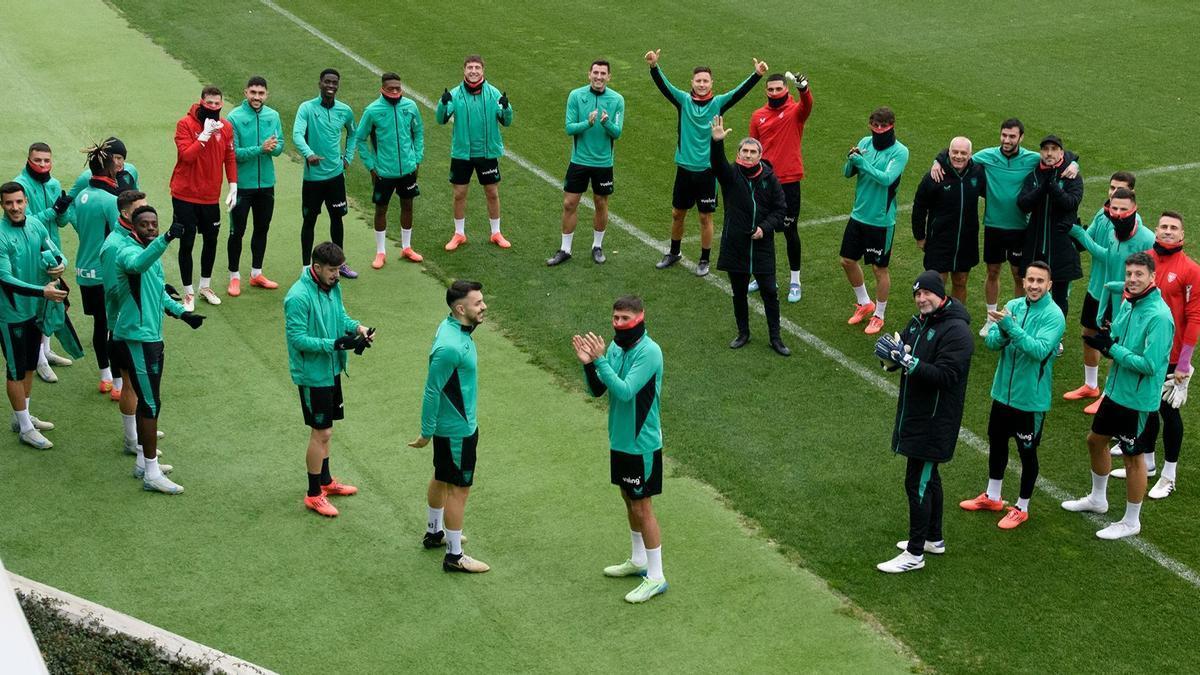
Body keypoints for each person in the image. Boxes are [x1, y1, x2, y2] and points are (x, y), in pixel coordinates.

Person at [927, 120, 1078, 337]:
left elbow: (1058, 157)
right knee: (993, 272)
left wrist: (1074, 163)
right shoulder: (986, 156)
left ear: (1021, 138)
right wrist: (937, 160)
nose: (1007, 140)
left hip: (1020, 227)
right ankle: (991, 319)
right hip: (993, 226)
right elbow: (959, 154)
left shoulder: (1031, 158)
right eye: (1004, 135)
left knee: (1019, 275)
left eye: (1012, 136)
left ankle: (1016, 319)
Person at [1061, 252, 1173, 540]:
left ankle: (1131, 521)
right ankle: (1098, 499)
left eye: (1139, 274)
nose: (1133, 279)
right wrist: (1108, 335)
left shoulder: (1159, 317)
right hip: (1115, 392)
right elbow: (1118, 337)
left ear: (1152, 277)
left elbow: (1150, 365)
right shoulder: (1129, 303)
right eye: (1129, 274)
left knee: (1133, 459)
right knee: (1095, 440)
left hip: (1138, 401)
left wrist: (1112, 349)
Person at [874, 271, 973, 573]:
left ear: (940, 294)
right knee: (929, 480)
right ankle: (933, 538)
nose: (921, 299)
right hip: (916, 414)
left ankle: (915, 555)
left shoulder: (957, 332)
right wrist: (891, 360)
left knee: (917, 484)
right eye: (917, 294)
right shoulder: (918, 322)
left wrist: (909, 363)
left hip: (934, 421)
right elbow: (901, 354)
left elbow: (947, 376)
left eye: (926, 293)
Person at [573, 295, 669, 603]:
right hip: (620, 440)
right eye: (615, 318)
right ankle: (638, 560)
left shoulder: (650, 352)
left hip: (642, 444)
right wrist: (590, 365)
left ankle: (656, 577)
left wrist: (600, 360)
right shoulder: (615, 348)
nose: (618, 324)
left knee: (643, 507)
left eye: (624, 319)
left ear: (640, 317)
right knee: (628, 500)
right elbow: (600, 389)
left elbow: (626, 392)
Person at [109, 206, 206, 493]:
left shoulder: (149, 252)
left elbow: (158, 291)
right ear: (133, 226)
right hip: (138, 339)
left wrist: (182, 314)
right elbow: (138, 265)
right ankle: (151, 474)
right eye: (145, 224)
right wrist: (165, 238)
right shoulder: (128, 251)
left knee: (146, 402)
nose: (151, 228)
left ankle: (143, 463)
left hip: (150, 336)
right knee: (150, 405)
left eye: (155, 224)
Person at [961, 261, 1064, 528]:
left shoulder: (1054, 316)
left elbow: (1039, 350)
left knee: (1027, 452)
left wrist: (1011, 327)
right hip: (1002, 394)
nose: (1033, 285)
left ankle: (1022, 506)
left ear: (1049, 285)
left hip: (1030, 400)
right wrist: (1005, 330)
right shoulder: (1014, 306)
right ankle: (993, 496)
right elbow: (992, 341)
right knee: (996, 442)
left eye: (1040, 281)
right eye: (1030, 280)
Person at [646, 48, 766, 275]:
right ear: (692, 81)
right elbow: (665, 87)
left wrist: (757, 75)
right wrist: (654, 66)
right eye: (698, 80)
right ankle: (674, 251)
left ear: (712, 83)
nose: (702, 84)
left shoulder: (718, 103)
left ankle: (704, 259)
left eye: (705, 81)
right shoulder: (682, 100)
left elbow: (738, 93)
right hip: (684, 168)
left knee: (705, 216)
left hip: (707, 171)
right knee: (677, 213)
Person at [284, 242, 374, 516]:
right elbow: (297, 339)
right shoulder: (297, 297)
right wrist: (333, 344)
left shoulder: (333, 287)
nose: (337, 274)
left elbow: (341, 317)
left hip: (331, 370)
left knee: (328, 432)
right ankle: (313, 494)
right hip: (313, 374)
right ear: (317, 267)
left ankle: (325, 481)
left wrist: (358, 328)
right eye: (332, 270)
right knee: (320, 432)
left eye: (338, 269)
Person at [409, 280, 489, 573]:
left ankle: (434, 532)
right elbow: (432, 390)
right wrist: (426, 432)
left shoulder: (453, 327)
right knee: (459, 489)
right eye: (477, 303)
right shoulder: (449, 347)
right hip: (458, 429)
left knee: (442, 477)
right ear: (460, 308)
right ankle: (455, 556)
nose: (483, 306)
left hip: (455, 424)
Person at [1067, 185, 1154, 416]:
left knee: (1121, 350)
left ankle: (1111, 398)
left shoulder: (1146, 239)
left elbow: (1152, 279)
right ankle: (1098, 390)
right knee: (1103, 341)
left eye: (1123, 209)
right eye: (1114, 208)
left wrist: (1125, 291)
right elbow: (1108, 264)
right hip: (1113, 302)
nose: (1117, 213)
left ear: (1134, 208)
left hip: (1134, 308)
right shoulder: (1114, 234)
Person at [710, 116, 789, 356]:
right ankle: (743, 333)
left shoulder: (769, 178)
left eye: (752, 151)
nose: (747, 155)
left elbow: (780, 209)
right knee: (739, 292)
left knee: (770, 293)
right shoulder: (731, 176)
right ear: (738, 154)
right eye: (744, 151)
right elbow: (717, 163)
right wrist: (716, 142)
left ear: (759, 155)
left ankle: (775, 338)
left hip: (762, 246)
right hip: (737, 244)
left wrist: (764, 228)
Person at [0, 181, 69, 450]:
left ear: (26, 201)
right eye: (9, 203)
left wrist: (59, 263)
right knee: (16, 370)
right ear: (3, 205)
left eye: (18, 202)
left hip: (34, 310)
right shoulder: (1, 235)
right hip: (11, 314)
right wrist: (43, 291)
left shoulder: (36, 225)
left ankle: (23, 417)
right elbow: (5, 280)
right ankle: (26, 428)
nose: (15, 207)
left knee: (29, 365)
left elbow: (53, 250)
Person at [547, 59, 625, 267]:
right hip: (579, 160)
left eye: (603, 74)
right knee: (569, 203)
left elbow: (617, 132)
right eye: (596, 73)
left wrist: (606, 123)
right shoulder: (576, 96)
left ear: (609, 77)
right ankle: (565, 249)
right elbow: (569, 128)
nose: (599, 77)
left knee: (601, 203)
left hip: (603, 162)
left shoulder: (617, 100)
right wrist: (587, 123)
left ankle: (597, 247)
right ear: (589, 74)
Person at [1144, 211, 1200, 498]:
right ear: (1155, 231)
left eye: (1173, 228)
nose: (1167, 231)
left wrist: (1185, 363)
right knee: (1147, 407)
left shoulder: (1190, 269)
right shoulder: (1143, 260)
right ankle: (1149, 463)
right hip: (1144, 352)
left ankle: (1169, 475)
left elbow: (1194, 317)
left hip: (1174, 357)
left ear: (1182, 236)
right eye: (1163, 226)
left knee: (1169, 411)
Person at [841, 107, 910, 335]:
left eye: (883, 126)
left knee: (879, 268)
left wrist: (862, 164)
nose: (879, 130)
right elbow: (846, 173)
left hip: (881, 220)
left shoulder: (900, 152)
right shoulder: (865, 142)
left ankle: (879, 315)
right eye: (875, 126)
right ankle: (864, 302)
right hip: (858, 215)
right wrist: (852, 160)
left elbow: (887, 179)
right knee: (847, 260)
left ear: (892, 126)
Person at [170, 85, 238, 311]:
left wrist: (233, 185)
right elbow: (187, 157)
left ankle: (205, 286)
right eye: (209, 103)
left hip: (210, 197)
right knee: (187, 242)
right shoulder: (185, 125)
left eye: (217, 104)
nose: (213, 107)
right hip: (185, 195)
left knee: (211, 240)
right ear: (201, 102)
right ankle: (188, 292)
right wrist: (204, 135)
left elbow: (229, 156)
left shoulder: (226, 127)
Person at [436, 55, 513, 252]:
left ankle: (496, 232)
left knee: (492, 192)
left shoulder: (493, 93)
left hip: (487, 153)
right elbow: (441, 119)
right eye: (470, 67)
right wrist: (443, 104)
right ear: (464, 70)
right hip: (462, 153)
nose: (473, 71)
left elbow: (506, 121)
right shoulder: (454, 94)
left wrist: (506, 107)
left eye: (477, 68)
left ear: (483, 71)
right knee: (459, 193)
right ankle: (459, 233)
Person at [748, 70, 812, 302]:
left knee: (789, 231)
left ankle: (795, 281)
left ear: (786, 89)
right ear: (766, 91)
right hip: (764, 181)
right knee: (762, 231)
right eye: (771, 89)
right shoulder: (757, 116)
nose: (775, 93)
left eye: (779, 89)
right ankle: (766, 276)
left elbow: (807, 104)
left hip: (789, 182)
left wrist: (803, 88)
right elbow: (753, 148)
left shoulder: (795, 111)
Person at [13, 142, 74, 380]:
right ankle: (38, 359)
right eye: (37, 160)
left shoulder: (54, 183)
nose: (42, 164)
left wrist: (64, 210)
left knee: (52, 303)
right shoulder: (20, 185)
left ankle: (46, 351)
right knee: (39, 305)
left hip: (52, 252)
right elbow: (23, 222)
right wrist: (52, 211)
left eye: (46, 160)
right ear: (29, 159)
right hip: (31, 254)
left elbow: (60, 223)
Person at [72, 142, 126, 399]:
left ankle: (105, 376)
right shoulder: (110, 200)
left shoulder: (82, 196)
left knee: (99, 324)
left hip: (83, 272)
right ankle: (118, 383)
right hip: (104, 275)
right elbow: (120, 239)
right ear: (109, 170)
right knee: (112, 327)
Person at [293, 68, 358, 277]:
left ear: (338, 85)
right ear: (319, 83)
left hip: (336, 177)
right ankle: (306, 268)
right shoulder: (307, 108)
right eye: (327, 82)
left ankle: (339, 265)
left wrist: (347, 157)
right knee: (309, 221)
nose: (331, 86)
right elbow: (297, 134)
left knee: (337, 219)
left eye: (334, 82)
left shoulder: (344, 110)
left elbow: (353, 133)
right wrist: (308, 154)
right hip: (313, 179)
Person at [356, 71, 425, 269]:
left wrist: (417, 158)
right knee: (381, 209)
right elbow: (360, 139)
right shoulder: (372, 110)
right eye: (391, 88)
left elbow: (418, 132)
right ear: (382, 89)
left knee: (408, 206)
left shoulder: (410, 106)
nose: (395, 91)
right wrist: (370, 166)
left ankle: (407, 247)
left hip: (408, 170)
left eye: (398, 88)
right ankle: (380, 252)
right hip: (383, 172)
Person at [226, 75, 284, 296]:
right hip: (241, 186)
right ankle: (234, 277)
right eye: (253, 93)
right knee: (237, 231)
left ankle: (256, 274)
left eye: (261, 93)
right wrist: (261, 148)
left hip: (266, 185)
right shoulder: (234, 117)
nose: (257, 97)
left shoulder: (273, 116)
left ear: (266, 95)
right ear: (245, 93)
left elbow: (280, 147)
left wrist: (273, 147)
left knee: (262, 229)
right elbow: (234, 155)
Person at [911, 137, 986, 303]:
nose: (959, 156)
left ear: (970, 155)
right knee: (936, 284)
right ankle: (933, 323)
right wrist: (920, 236)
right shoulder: (934, 176)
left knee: (960, 282)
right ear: (948, 152)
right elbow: (919, 207)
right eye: (955, 152)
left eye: (963, 153)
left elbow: (993, 193)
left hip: (966, 240)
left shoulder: (978, 173)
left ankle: (957, 320)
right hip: (940, 240)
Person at [1016, 135, 1084, 318]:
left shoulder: (1071, 176)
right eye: (1046, 149)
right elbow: (1023, 204)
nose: (1049, 153)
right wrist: (1042, 188)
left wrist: (1053, 187)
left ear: (1061, 152)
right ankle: (1031, 327)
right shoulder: (1034, 176)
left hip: (1061, 246)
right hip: (1036, 246)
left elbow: (1071, 203)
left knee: (1060, 296)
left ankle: (1056, 337)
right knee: (1033, 292)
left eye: (1054, 149)